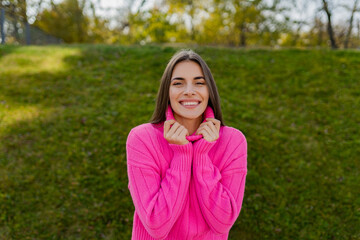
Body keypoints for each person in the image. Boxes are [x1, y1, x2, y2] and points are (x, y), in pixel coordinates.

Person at [126, 49, 247, 240]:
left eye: (199, 83)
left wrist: (201, 157)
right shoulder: (142, 138)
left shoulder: (233, 141)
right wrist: (182, 156)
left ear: (209, 91)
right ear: (167, 91)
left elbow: (222, 223)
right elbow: (156, 226)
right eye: (178, 83)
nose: (189, 91)